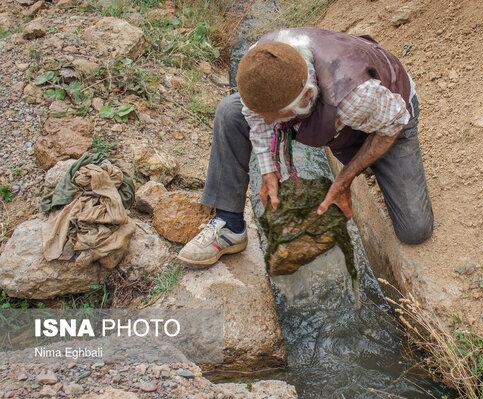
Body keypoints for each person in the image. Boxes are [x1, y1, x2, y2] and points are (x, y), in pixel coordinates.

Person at [177, 28, 434, 267]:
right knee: (230, 112)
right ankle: (230, 226)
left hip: (390, 117)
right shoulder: (260, 60)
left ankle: (372, 160)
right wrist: (268, 171)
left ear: (307, 99)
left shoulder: (355, 96)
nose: (266, 122)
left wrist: (344, 179)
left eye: (274, 115)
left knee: (415, 229)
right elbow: (256, 118)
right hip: (331, 113)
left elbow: (395, 121)